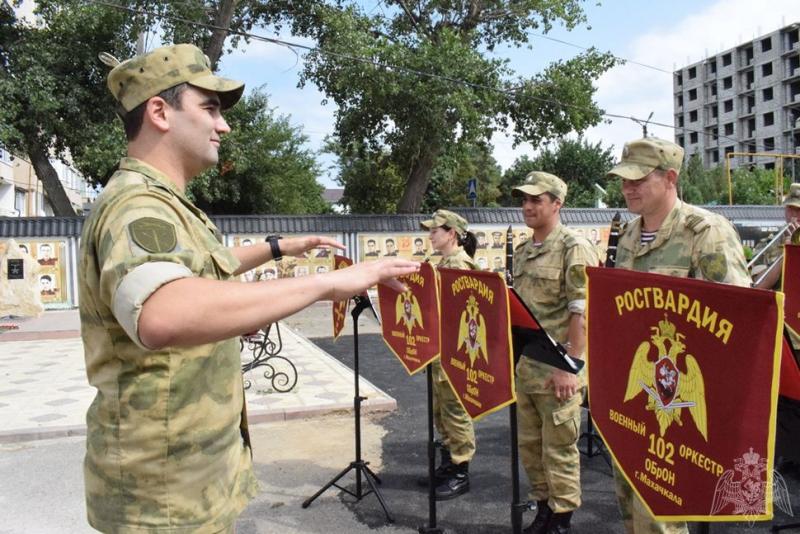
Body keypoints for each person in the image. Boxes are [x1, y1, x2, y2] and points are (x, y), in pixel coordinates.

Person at [78, 43, 419, 534]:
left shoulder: (163, 203)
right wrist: (330, 283)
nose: (224, 125)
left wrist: (280, 248)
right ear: (159, 112)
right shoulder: (139, 207)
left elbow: (203, 271)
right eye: (210, 108)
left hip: (185, 475)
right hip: (164, 495)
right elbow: (166, 311)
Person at [607, 137, 750, 534]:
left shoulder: (706, 232)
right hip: (638, 399)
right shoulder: (629, 236)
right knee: (629, 498)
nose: (627, 188)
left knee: (663, 510)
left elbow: (736, 319)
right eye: (623, 181)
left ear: (670, 178)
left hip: (681, 406)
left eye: (638, 179)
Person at [511, 172, 597, 534]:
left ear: (557, 204)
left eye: (537, 200)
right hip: (528, 370)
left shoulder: (573, 247)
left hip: (558, 372)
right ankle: (543, 510)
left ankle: (561, 521)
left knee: (559, 450)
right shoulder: (524, 250)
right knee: (531, 448)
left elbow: (583, 310)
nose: (528, 206)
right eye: (525, 200)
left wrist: (569, 368)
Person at [419, 209, 479, 500]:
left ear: (451, 233)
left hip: (454, 354)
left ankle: (460, 471)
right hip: (438, 352)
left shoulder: (459, 266)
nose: (430, 235)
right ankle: (447, 463)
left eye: (434, 230)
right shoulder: (441, 263)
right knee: (441, 411)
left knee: (456, 411)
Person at [753, 183, 800, 291]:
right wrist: (786, 253)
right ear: (785, 211)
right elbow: (758, 287)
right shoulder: (766, 244)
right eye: (791, 209)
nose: (796, 216)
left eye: (799, 210)